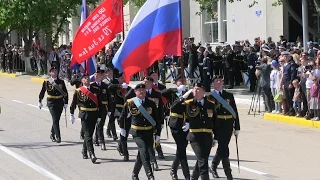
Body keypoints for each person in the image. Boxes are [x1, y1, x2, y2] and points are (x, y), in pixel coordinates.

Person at [171, 83, 217, 180]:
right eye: (194, 89)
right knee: (203, 162)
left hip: (207, 137)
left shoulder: (210, 105)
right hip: (195, 136)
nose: (195, 91)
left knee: (201, 161)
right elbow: (174, 107)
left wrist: (216, 137)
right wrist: (183, 96)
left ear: (203, 92)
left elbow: (215, 121)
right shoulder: (189, 103)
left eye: (198, 89)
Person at [119, 83, 161, 180]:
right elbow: (122, 117)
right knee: (144, 152)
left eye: (143, 90)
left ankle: (135, 174)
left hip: (149, 132)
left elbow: (157, 119)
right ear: (135, 92)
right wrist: (122, 129)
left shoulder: (151, 103)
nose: (141, 91)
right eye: (139, 90)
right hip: (137, 132)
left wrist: (158, 134)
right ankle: (150, 175)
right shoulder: (130, 103)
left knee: (141, 155)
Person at [208, 75, 240, 180]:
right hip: (218, 125)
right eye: (217, 81)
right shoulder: (210, 96)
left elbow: (235, 111)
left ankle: (213, 166)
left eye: (221, 81)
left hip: (228, 125)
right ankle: (228, 173)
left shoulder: (229, 95)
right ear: (213, 83)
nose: (219, 83)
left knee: (223, 146)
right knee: (224, 148)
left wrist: (237, 126)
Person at [161, 75, 193, 180]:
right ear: (176, 82)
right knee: (181, 149)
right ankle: (187, 175)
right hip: (175, 123)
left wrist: (189, 122)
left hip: (185, 124)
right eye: (180, 81)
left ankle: (173, 170)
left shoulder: (190, 94)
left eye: (183, 80)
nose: (182, 82)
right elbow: (162, 94)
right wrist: (177, 89)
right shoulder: (172, 92)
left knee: (182, 148)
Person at [70, 74, 101, 163]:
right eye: (84, 78)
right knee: (87, 135)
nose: (86, 79)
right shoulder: (78, 91)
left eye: (87, 78)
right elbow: (74, 103)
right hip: (84, 115)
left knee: (89, 135)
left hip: (94, 114)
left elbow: (100, 104)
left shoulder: (96, 90)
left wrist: (100, 116)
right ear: (82, 81)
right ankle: (92, 154)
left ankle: (84, 151)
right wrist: (71, 114)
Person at [38, 66, 68, 143]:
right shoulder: (47, 82)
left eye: (56, 70)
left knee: (56, 120)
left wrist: (66, 102)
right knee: (55, 119)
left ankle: (52, 133)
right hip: (51, 102)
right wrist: (40, 101)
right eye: (53, 71)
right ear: (50, 72)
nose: (54, 72)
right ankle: (58, 137)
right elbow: (42, 92)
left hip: (60, 102)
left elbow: (65, 93)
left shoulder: (61, 82)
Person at [108, 72, 132, 161]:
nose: (123, 79)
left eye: (124, 78)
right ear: (118, 79)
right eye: (121, 78)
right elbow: (109, 87)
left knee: (125, 131)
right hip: (118, 111)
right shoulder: (115, 88)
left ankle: (120, 145)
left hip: (128, 112)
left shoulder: (129, 89)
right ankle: (125, 152)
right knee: (123, 129)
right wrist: (119, 86)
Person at [91, 67, 110, 150]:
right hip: (94, 109)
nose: (97, 76)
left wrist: (110, 110)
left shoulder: (105, 86)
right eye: (95, 74)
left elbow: (110, 99)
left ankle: (100, 141)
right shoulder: (91, 86)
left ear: (102, 76)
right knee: (97, 124)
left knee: (100, 125)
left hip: (103, 108)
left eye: (99, 75)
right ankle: (99, 140)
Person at [149, 71, 166, 159]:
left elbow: (163, 103)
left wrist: (165, 114)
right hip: (148, 116)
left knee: (157, 135)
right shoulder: (145, 88)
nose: (155, 77)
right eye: (153, 75)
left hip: (158, 116)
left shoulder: (162, 87)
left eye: (156, 75)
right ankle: (155, 151)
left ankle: (159, 150)